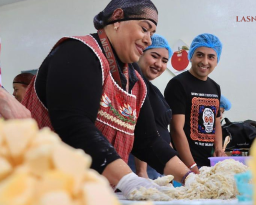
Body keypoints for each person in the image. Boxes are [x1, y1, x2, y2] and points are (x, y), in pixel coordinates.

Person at [22, 0, 191, 198]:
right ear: (117, 18)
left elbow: (148, 140)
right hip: (44, 190)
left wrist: (189, 176)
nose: (148, 40)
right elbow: (74, 125)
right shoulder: (78, 52)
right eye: (145, 29)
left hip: (90, 194)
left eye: (152, 34)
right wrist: (128, 179)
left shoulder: (135, 80)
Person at [165, 33, 225, 174]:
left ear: (217, 61)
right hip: (183, 166)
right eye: (200, 55)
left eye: (211, 57)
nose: (205, 61)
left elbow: (217, 122)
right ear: (190, 56)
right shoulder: (178, 84)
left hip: (207, 165)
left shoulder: (215, 87)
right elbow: (176, 129)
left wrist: (218, 149)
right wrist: (192, 166)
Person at [128, 34, 173, 179]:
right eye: (154, 56)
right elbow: (140, 130)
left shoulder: (153, 90)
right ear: (141, 52)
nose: (159, 64)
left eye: (164, 61)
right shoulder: (133, 84)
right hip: (140, 169)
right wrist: (142, 172)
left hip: (157, 167)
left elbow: (162, 131)